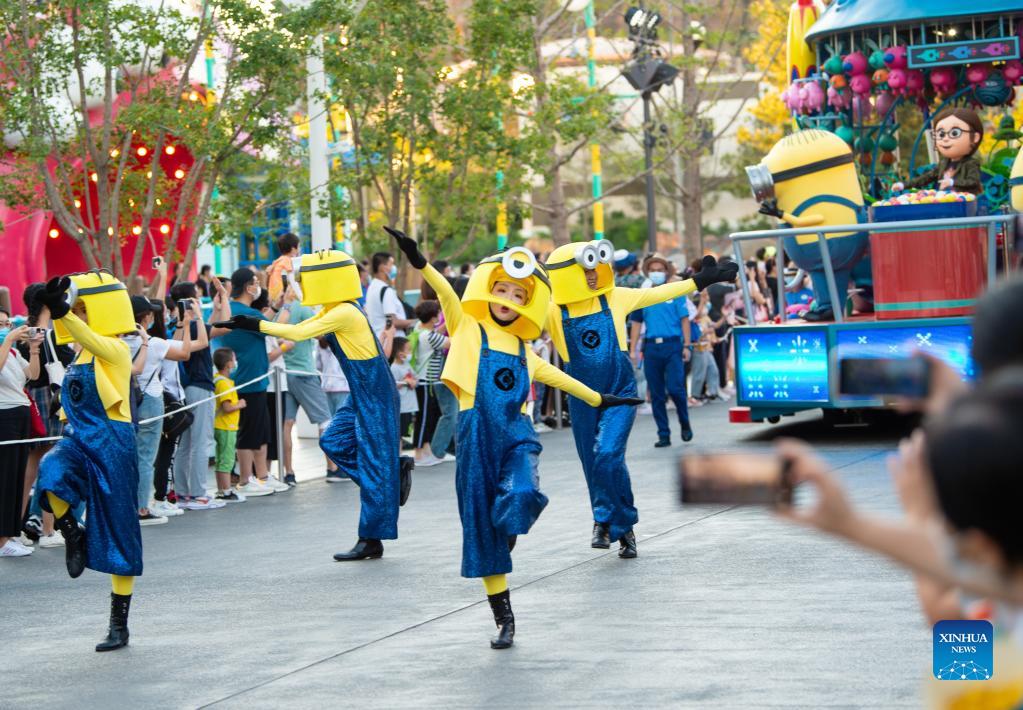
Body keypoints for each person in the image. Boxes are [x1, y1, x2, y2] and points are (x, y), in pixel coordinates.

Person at [389, 227, 641, 650]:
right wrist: (419, 261)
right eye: (502, 289)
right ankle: (504, 618)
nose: (508, 298)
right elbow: (445, 292)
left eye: (518, 293)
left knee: (523, 492)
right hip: (475, 435)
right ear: (488, 290)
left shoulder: (525, 348)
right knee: (481, 527)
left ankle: (507, 531)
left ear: (528, 301)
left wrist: (601, 398)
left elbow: (558, 377)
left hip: (517, 434)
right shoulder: (467, 327)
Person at [215, 250, 414, 561]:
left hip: (374, 393)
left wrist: (254, 324)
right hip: (362, 391)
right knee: (332, 441)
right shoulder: (335, 309)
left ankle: (371, 538)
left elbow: (298, 332)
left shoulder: (345, 311)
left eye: (309, 278)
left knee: (373, 466)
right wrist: (255, 322)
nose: (305, 283)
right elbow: (300, 326)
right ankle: (389, 476)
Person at [544, 240, 737, 555]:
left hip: (620, 389)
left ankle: (604, 520)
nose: (592, 275)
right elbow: (518, 325)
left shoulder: (614, 297)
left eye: (595, 268)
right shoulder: (552, 310)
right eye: (584, 270)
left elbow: (658, 294)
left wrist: (700, 281)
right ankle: (624, 530)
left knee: (608, 453)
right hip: (581, 394)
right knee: (593, 461)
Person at [33, 272, 143, 651]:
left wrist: (61, 311)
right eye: (75, 309)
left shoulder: (116, 349)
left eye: (82, 309)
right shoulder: (78, 354)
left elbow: (87, 336)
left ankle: (118, 625)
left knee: (118, 531)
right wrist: (53, 309)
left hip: (114, 444)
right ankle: (73, 533)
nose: (76, 315)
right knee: (50, 473)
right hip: (77, 439)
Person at [124, 295, 203, 524]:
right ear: (146, 317)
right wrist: (185, 326)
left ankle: (128, 505)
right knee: (146, 456)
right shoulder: (154, 343)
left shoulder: (116, 342)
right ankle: (142, 508)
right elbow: (185, 353)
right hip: (150, 399)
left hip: (124, 400)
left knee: (128, 455)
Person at [217, 268, 289, 496]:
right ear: (248, 287)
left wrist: (276, 305)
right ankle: (246, 480)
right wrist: (287, 305)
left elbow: (265, 321)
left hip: (253, 380)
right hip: (249, 380)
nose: (258, 286)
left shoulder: (234, 310)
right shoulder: (246, 313)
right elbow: (275, 327)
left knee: (260, 432)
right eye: (256, 282)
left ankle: (263, 477)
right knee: (249, 434)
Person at [169, 277, 233, 508]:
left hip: (183, 389)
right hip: (200, 387)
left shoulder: (176, 325)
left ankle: (183, 494)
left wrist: (216, 307)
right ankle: (198, 493)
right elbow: (227, 325)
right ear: (189, 301)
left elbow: (213, 325)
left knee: (185, 444)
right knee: (200, 442)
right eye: (196, 296)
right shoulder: (194, 325)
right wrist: (224, 297)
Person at [279, 285, 334, 487]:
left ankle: (288, 472)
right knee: (325, 420)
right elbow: (321, 335)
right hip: (304, 373)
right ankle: (333, 467)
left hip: (284, 374)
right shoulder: (303, 308)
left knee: (287, 424)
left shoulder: (282, 310)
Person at [0, 319, 40, 557]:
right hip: (4, 415)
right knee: (5, 476)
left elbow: (33, 374)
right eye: (0, 324)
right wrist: (8, 340)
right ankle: (2, 540)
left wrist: (34, 349)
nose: (6, 327)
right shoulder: (7, 347)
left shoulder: (14, 352)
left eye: (7, 323)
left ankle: (9, 535)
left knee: (16, 475)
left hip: (21, 412)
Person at [893, 107, 984, 195]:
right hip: (944, 199)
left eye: (954, 133)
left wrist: (952, 182)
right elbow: (926, 178)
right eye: (941, 134)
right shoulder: (944, 163)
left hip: (964, 201)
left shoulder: (971, 163)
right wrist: (903, 185)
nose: (946, 139)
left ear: (975, 137)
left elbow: (973, 181)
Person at [409, 299, 451, 466]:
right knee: (423, 418)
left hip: (426, 383)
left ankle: (426, 450)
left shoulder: (420, 330)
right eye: (438, 313)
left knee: (427, 417)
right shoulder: (430, 337)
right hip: (425, 382)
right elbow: (450, 342)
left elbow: (438, 332)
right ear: (433, 318)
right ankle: (418, 454)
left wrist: (445, 323)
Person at [212, 348, 246, 503]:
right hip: (226, 426)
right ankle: (226, 491)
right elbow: (227, 407)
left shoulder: (217, 380)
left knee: (220, 459)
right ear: (228, 364)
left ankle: (221, 490)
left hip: (220, 425)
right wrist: (239, 404)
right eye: (233, 359)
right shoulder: (224, 384)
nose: (235, 362)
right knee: (227, 459)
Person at [365, 252, 414, 337]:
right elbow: (393, 321)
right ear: (382, 267)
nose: (394, 268)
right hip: (394, 340)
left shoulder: (372, 288)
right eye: (391, 264)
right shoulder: (386, 290)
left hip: (380, 339)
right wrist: (416, 322)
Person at [389, 336, 419, 445]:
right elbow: (392, 386)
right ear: (400, 354)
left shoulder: (407, 365)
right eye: (409, 350)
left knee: (404, 434)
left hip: (409, 407)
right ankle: (398, 454)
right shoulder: (394, 368)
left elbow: (415, 377)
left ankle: (400, 453)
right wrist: (405, 381)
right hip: (401, 408)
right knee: (398, 435)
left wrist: (414, 381)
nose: (411, 353)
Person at [267, 232, 301, 302]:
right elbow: (293, 280)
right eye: (299, 246)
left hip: (273, 296)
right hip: (281, 296)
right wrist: (301, 297)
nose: (300, 249)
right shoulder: (287, 261)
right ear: (293, 249)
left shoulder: (278, 261)